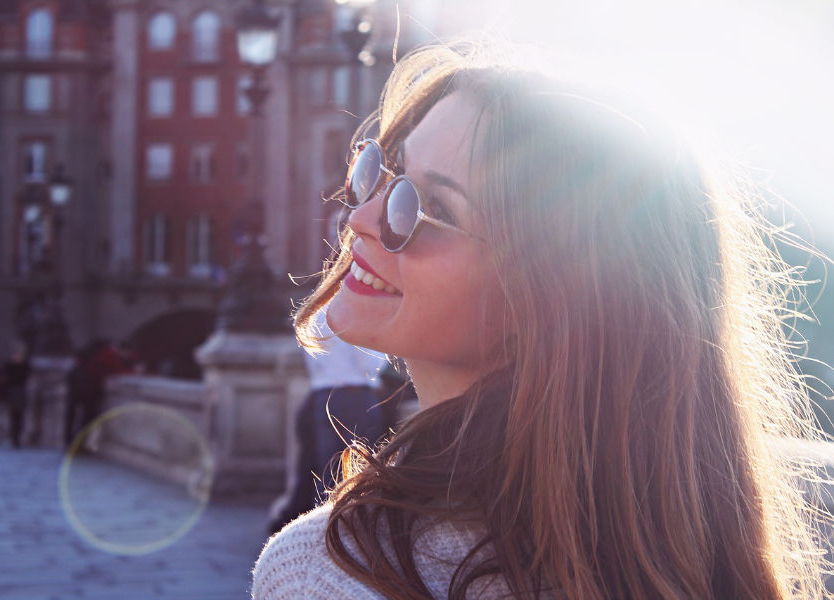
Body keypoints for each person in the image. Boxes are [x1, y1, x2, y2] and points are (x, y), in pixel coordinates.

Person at [251, 40, 831, 599]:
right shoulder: (704, 549)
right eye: (384, 169)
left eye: (427, 210)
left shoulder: (326, 573)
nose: (362, 219)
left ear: (545, 297)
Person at [267, 317, 388, 535]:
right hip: (354, 396)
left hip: (320, 393)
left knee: (320, 470)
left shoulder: (318, 311)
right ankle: (334, 533)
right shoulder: (356, 309)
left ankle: (310, 528)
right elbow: (369, 364)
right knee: (353, 474)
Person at [0, 340, 30, 448]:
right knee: (13, 417)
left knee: (19, 417)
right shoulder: (9, 366)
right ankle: (14, 438)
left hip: (20, 392)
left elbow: (25, 378)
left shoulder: (25, 366)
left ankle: (17, 437)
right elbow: (5, 380)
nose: (17, 356)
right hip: (13, 392)